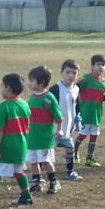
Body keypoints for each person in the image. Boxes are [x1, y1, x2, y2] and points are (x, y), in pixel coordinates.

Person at [0, 73, 32, 208]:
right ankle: (26, 195)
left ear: (8, 88)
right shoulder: (24, 105)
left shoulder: (4, 107)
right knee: (19, 171)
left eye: (2, 86)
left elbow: (0, 128)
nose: (1, 89)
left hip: (8, 144)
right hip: (21, 144)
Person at [73, 54, 105, 167]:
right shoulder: (85, 79)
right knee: (82, 135)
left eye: (103, 65)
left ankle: (90, 158)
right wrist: (78, 83)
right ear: (92, 66)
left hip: (96, 114)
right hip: (85, 113)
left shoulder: (103, 82)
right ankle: (74, 154)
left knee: (94, 136)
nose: (101, 67)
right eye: (98, 64)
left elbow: (100, 98)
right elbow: (74, 91)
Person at [26, 65, 62, 195]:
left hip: (44, 138)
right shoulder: (32, 98)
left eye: (32, 80)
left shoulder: (49, 98)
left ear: (40, 82)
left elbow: (58, 116)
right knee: (33, 161)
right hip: (32, 137)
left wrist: (59, 130)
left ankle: (54, 182)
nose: (29, 83)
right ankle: (37, 182)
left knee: (46, 161)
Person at [50, 60, 83, 181]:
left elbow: (77, 106)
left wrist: (77, 121)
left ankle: (70, 171)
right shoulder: (55, 89)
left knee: (70, 148)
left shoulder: (76, 89)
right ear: (61, 73)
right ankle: (37, 175)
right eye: (68, 72)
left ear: (78, 75)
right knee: (46, 152)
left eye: (74, 73)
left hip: (67, 127)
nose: (71, 75)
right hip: (53, 128)